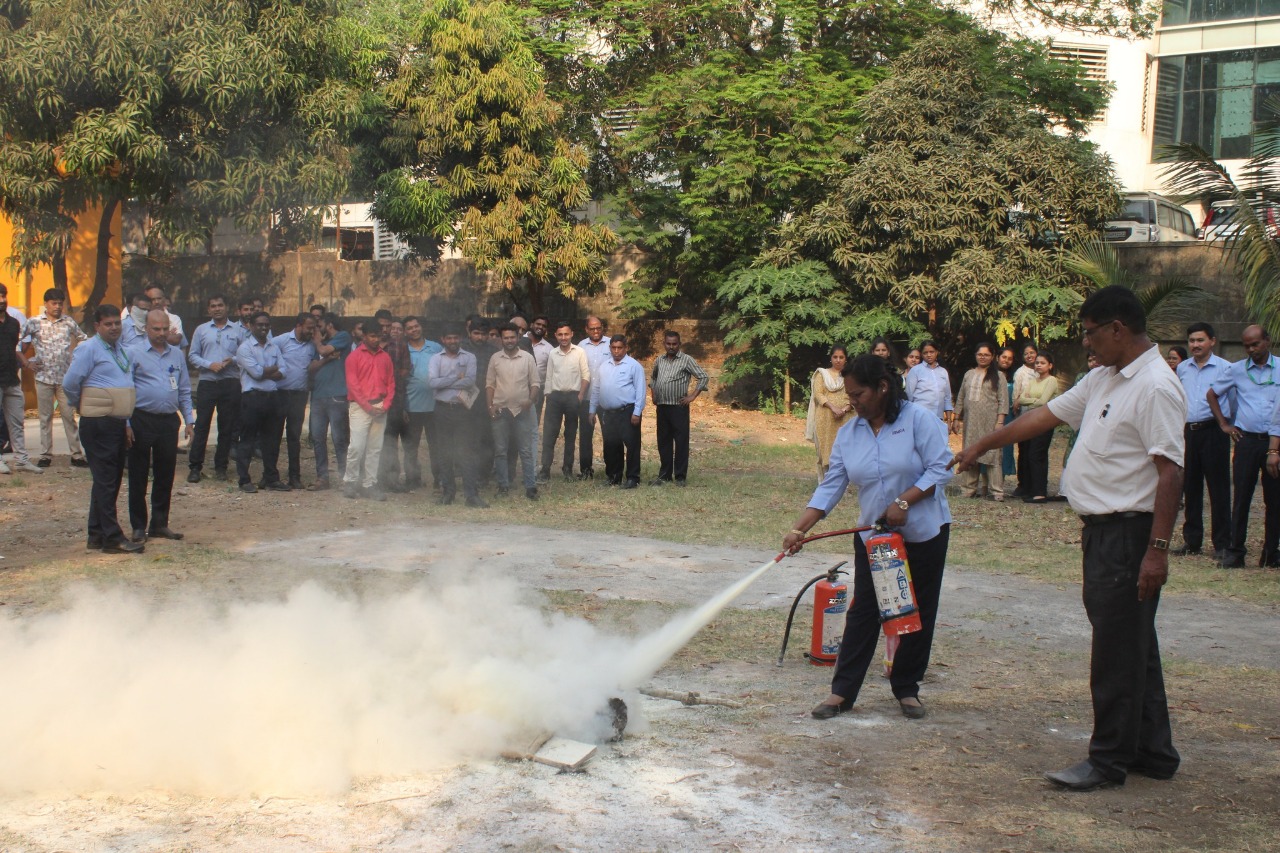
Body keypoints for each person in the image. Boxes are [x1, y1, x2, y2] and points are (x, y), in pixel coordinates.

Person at [952, 285, 1184, 791]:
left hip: (1130, 534)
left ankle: (1107, 761)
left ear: (1118, 328)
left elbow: (1170, 473)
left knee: (1116, 651)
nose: (1086, 343)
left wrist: (1157, 551)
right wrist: (983, 443)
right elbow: (1044, 416)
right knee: (1134, 645)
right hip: (1103, 533)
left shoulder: (1155, 386)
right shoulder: (1105, 377)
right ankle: (1154, 750)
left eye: (1091, 332)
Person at [784, 354, 952, 721]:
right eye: (849, 394)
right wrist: (799, 529)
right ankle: (842, 692)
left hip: (923, 533)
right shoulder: (850, 433)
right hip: (877, 539)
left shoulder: (918, 420)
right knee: (863, 612)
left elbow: (941, 468)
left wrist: (905, 501)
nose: (852, 402)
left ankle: (907, 689)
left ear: (883, 387)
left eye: (858, 394)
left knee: (915, 610)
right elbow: (831, 486)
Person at [62, 305, 143, 553]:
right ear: (97, 326)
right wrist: (83, 405)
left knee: (109, 479)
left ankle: (96, 533)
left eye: (117, 323)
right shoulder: (89, 348)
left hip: (116, 422)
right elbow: (70, 383)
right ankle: (112, 537)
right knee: (107, 480)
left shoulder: (121, 350)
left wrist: (126, 422)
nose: (114, 327)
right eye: (108, 324)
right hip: (99, 422)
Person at [1208, 324, 1280, 568]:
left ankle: (1271, 553)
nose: (1251, 349)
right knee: (1241, 498)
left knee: (1275, 500)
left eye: (1255, 344)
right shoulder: (1237, 370)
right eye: (1247, 346)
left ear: (1267, 341)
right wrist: (1224, 424)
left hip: (1273, 443)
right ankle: (1235, 551)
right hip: (1246, 441)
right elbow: (1212, 394)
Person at [125, 308, 193, 542]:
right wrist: (126, 423)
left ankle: (160, 523)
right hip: (141, 419)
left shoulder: (176, 355)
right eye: (156, 329)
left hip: (167, 421)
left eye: (165, 329)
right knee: (139, 474)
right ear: (146, 329)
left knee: (165, 474)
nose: (161, 333)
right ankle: (138, 526)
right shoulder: (133, 353)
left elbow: (184, 388)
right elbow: (126, 389)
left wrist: (189, 420)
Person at [1176, 322, 1231, 558]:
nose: (1195, 345)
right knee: (1191, 485)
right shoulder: (1182, 369)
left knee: (1218, 488)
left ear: (1212, 341)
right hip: (1189, 432)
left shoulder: (1226, 368)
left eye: (1200, 340)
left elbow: (1235, 399)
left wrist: (1227, 426)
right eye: (1192, 341)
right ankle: (1192, 540)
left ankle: (1222, 544)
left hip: (1214, 433)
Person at [22, 287, 88, 468]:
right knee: (45, 417)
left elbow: (83, 338)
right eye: (54, 303)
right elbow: (18, 339)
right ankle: (45, 454)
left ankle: (76, 454)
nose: (58, 307)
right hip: (43, 377)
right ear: (46, 304)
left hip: (65, 378)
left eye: (60, 303)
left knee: (68, 416)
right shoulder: (35, 322)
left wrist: (76, 356)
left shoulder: (68, 322)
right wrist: (27, 362)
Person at [187, 294, 246, 483]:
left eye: (220, 305)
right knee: (202, 425)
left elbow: (246, 354)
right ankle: (195, 467)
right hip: (208, 382)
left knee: (226, 427)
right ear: (208, 309)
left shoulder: (238, 330)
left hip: (230, 382)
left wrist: (233, 360)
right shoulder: (201, 330)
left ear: (226, 307)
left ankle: (221, 467)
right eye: (213, 306)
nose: (217, 308)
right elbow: (192, 355)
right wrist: (208, 364)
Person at [428, 325, 486, 507]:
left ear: (460, 338)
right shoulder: (435, 359)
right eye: (449, 338)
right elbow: (432, 382)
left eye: (455, 338)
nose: (452, 341)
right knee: (444, 452)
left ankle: (471, 495)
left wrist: (445, 381)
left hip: (463, 410)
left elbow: (470, 381)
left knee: (466, 452)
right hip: (442, 409)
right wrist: (456, 377)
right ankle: (448, 494)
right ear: (442, 339)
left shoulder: (469, 357)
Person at [233, 312, 288, 493]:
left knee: (272, 440)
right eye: (259, 325)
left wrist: (265, 371)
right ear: (250, 325)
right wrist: (272, 370)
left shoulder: (273, 347)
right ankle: (244, 479)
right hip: (252, 399)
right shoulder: (245, 348)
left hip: (272, 398)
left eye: (266, 325)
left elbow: (284, 371)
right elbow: (256, 373)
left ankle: (271, 478)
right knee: (247, 440)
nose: (263, 328)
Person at [487, 324, 540, 500]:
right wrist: (490, 406)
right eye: (506, 338)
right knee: (501, 451)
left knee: (525, 450)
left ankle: (530, 487)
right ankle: (503, 486)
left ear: (518, 337)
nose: (509, 341)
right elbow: (490, 384)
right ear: (501, 339)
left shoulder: (527, 358)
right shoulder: (495, 358)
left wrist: (530, 401)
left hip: (522, 411)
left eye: (512, 337)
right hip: (501, 410)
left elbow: (535, 384)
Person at [649, 330, 710, 486]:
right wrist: (653, 394)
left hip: (678, 407)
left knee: (681, 442)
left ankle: (680, 477)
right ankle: (665, 475)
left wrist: (693, 396)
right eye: (668, 344)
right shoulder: (659, 360)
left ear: (679, 344)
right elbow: (654, 378)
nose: (671, 347)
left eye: (674, 344)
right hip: (662, 407)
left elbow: (703, 376)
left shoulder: (686, 360)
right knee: (663, 442)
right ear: (664, 343)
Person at [951, 343, 1009, 500]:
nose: (983, 357)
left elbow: (1003, 400)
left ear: (993, 357)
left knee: (993, 453)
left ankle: (996, 491)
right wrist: (956, 418)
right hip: (970, 422)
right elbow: (961, 396)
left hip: (990, 422)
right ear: (975, 355)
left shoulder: (999, 376)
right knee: (970, 452)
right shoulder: (969, 374)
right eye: (980, 354)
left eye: (986, 354)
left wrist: (1000, 421)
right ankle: (969, 489)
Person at [344, 323, 395, 501]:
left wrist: (386, 405)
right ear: (364, 336)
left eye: (378, 336)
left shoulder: (385, 357)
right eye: (371, 336)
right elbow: (353, 386)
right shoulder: (353, 357)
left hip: (380, 406)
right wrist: (368, 407)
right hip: (360, 406)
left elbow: (391, 383)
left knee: (375, 448)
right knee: (356, 446)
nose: (375, 339)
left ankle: (369, 484)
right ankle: (350, 481)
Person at [590, 335, 646, 488]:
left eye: (619, 348)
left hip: (627, 412)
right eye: (613, 348)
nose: (616, 351)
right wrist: (592, 409)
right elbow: (596, 389)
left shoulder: (634, 366)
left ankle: (633, 478)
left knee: (632, 445)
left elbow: (640, 391)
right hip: (608, 413)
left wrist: (637, 412)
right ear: (610, 348)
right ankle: (613, 476)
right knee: (611, 445)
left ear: (625, 348)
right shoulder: (604, 366)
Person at [0, 283, 42, 475]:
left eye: (3, 296)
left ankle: (22, 460)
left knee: (17, 420)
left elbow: (16, 348)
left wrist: (24, 363)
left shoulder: (13, 323)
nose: (1, 300)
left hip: (11, 378)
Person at [272, 313, 318, 489]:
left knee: (294, 437)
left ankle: (294, 476)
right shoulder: (281, 341)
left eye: (313, 328)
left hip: (299, 396)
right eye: (309, 328)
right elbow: (264, 351)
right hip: (279, 394)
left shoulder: (312, 346)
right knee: (274, 436)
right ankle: (270, 475)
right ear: (299, 325)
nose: (311, 332)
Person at [540, 321, 589, 481]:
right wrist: (548, 396)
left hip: (573, 398)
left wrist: (580, 396)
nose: (563, 337)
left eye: (566, 334)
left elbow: (586, 375)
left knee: (570, 435)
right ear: (556, 336)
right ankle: (545, 469)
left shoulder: (579, 352)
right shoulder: (553, 353)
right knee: (549, 434)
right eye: (560, 334)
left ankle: (567, 469)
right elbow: (548, 376)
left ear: (571, 334)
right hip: (555, 398)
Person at [307, 313, 351, 490]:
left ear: (330, 324)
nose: (316, 329)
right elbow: (311, 368)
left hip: (337, 395)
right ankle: (322, 478)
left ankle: (345, 478)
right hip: (318, 396)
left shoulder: (343, 336)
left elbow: (324, 350)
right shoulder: (316, 345)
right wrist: (326, 358)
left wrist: (319, 344)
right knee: (318, 438)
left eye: (320, 325)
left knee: (339, 438)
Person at [403, 316, 444, 491]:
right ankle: (413, 479)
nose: (414, 329)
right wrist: (402, 406)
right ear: (405, 332)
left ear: (421, 327)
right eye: (410, 328)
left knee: (436, 446)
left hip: (435, 407)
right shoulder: (403, 350)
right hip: (411, 407)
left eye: (416, 326)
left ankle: (439, 479)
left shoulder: (435, 348)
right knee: (411, 447)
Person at [1017, 351, 1060, 503]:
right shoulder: (1033, 380)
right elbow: (1021, 399)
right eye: (1037, 363)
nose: (1039, 365)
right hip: (1031, 422)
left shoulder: (1052, 380)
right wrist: (1032, 400)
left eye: (1042, 363)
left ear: (1050, 365)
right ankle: (1029, 489)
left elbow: (1043, 402)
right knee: (1028, 454)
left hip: (1045, 421)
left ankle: (1040, 492)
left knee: (1037, 455)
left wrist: (1030, 400)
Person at [805, 346, 853, 479]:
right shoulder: (822, 374)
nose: (838, 360)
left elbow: (854, 395)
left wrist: (844, 409)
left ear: (846, 359)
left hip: (846, 418)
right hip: (825, 417)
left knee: (844, 449)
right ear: (831, 358)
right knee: (826, 448)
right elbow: (818, 394)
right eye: (835, 357)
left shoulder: (851, 375)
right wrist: (833, 408)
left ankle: (843, 480)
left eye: (841, 357)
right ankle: (825, 480)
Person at [462, 319, 498, 486]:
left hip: (486, 399)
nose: (480, 337)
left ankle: (484, 475)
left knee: (486, 439)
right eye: (476, 333)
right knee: (467, 438)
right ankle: (468, 474)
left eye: (483, 334)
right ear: (469, 333)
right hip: (464, 399)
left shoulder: (493, 351)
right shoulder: (461, 349)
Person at [378, 315, 412, 492]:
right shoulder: (370, 345)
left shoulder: (399, 345)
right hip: (373, 400)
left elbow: (406, 370)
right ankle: (376, 479)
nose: (387, 330)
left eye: (388, 326)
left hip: (394, 400)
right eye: (384, 327)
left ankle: (392, 479)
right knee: (377, 441)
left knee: (391, 440)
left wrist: (390, 379)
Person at [577, 316, 612, 479]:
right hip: (587, 398)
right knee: (585, 436)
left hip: (606, 400)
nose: (596, 331)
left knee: (609, 435)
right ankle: (586, 470)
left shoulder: (612, 344)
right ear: (586, 329)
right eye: (592, 329)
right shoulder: (581, 346)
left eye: (598, 328)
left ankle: (611, 470)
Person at [1010, 342, 1039, 497]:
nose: (1029, 356)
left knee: (1036, 453)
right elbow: (1016, 394)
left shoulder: (1042, 369)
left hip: (1040, 417)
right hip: (1023, 415)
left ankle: (1036, 485)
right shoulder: (1021, 372)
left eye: (1032, 352)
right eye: (1026, 353)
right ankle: (1023, 485)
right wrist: (1016, 405)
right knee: (1024, 451)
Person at [903, 340, 952, 424]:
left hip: (938, 419)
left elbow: (947, 397)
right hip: (920, 418)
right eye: (925, 353)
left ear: (937, 352)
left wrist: (949, 420)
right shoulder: (915, 371)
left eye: (931, 352)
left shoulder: (943, 372)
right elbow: (909, 396)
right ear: (922, 354)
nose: (929, 355)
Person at [997, 346, 1018, 485]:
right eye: (1004, 357)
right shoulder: (990, 375)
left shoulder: (1015, 377)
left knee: (1005, 448)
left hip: (1009, 418)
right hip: (993, 417)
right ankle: (987, 484)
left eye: (1010, 358)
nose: (1006, 360)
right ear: (997, 357)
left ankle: (1000, 484)